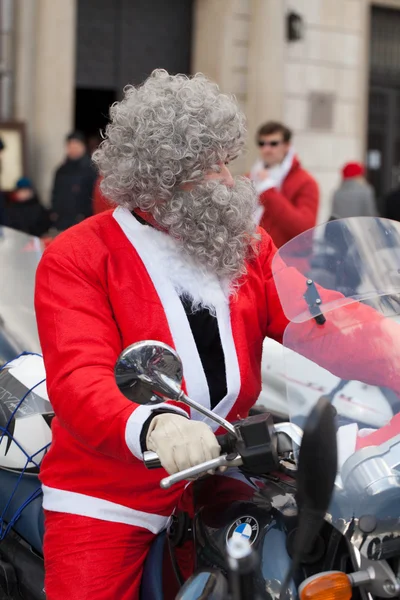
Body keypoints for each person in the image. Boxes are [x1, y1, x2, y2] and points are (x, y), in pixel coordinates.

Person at [34, 70, 400, 600]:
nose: (229, 180)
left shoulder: (245, 246)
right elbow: (79, 375)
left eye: (227, 159)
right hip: (112, 488)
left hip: (225, 469)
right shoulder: (78, 257)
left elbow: (319, 322)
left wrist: (391, 349)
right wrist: (156, 425)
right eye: (209, 168)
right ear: (158, 180)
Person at [249, 121, 319, 247]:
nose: (266, 149)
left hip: (288, 261)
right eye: (262, 143)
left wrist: (268, 191)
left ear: (287, 145)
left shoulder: (305, 182)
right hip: (254, 258)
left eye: (273, 143)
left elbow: (304, 230)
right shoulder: (251, 177)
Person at [49, 131, 97, 231]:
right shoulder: (61, 170)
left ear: (83, 146)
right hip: (62, 221)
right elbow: (55, 193)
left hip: (83, 221)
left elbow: (94, 195)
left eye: (76, 145)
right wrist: (55, 213)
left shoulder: (91, 169)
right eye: (70, 146)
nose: (73, 149)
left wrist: (85, 214)